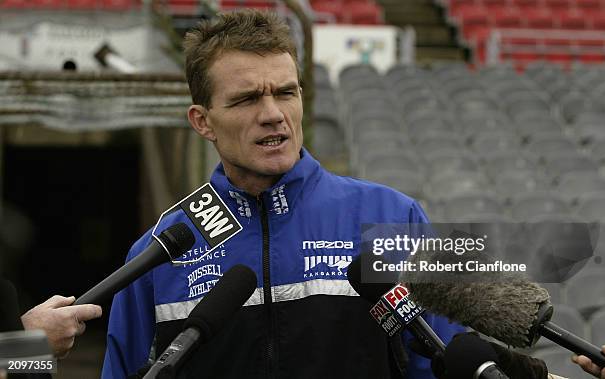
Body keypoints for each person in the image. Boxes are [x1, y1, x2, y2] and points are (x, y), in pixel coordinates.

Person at [102, 9, 463, 379]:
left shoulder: (394, 217)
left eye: (286, 92)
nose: (273, 113)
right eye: (247, 99)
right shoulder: (159, 254)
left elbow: (442, 363)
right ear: (203, 121)